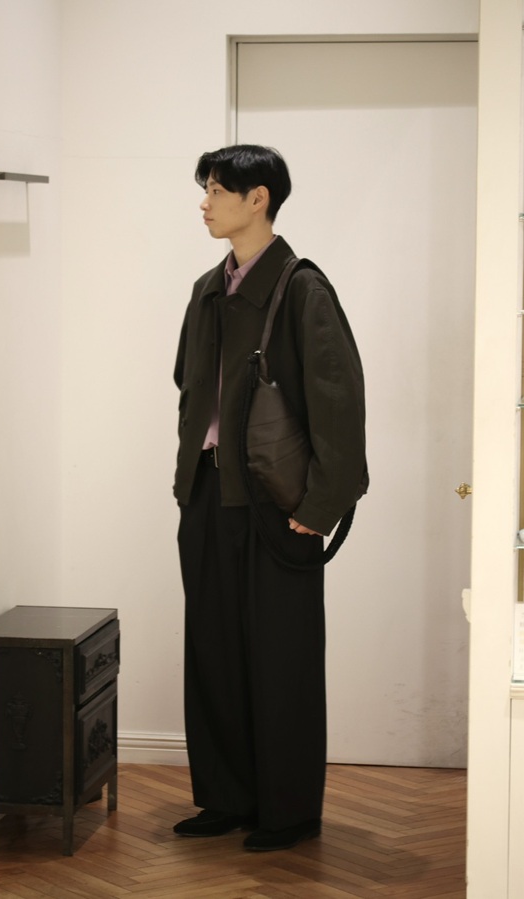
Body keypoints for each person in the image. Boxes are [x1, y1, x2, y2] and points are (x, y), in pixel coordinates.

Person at [173, 144, 367, 852]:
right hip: (207, 495)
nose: (204, 203)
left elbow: (340, 406)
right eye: (205, 189)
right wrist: (187, 485)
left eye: (217, 190)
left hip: (276, 502)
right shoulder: (206, 288)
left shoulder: (302, 288)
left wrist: (319, 508)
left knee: (282, 657)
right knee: (214, 652)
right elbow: (189, 387)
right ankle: (227, 798)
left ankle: (287, 811)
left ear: (258, 199)